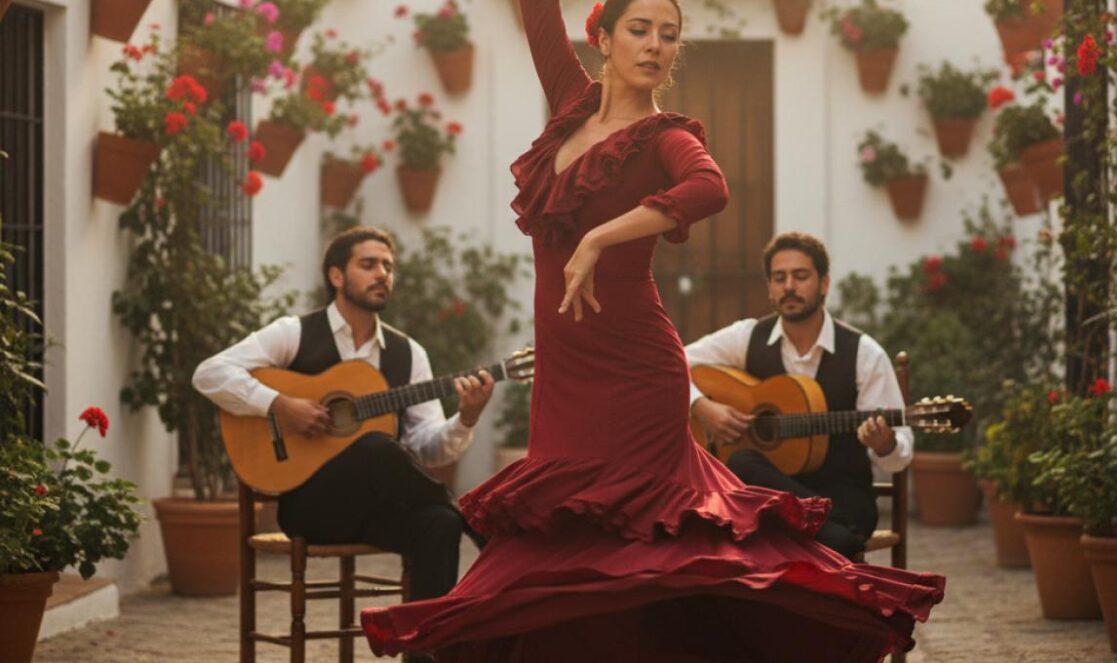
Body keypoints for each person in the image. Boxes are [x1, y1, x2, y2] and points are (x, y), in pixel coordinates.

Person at [361, 1, 944, 661]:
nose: (655, 46)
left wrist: (604, 234)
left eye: (669, 35)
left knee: (643, 535)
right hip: (566, 373)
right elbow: (537, 13)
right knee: (567, 527)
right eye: (639, 30)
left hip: (638, 370)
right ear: (603, 38)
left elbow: (709, 187)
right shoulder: (569, 104)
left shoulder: (665, 136)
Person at [192, 226, 495, 609]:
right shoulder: (295, 333)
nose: (382, 273)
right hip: (309, 508)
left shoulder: (408, 354)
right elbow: (210, 373)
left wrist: (465, 418)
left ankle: (427, 654)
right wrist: (279, 404)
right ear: (336, 276)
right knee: (373, 445)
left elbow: (427, 450)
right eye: (368, 264)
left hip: (376, 510)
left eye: (388, 266)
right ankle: (477, 521)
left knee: (440, 522)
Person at [686, 231, 913, 559]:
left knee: (759, 523)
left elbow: (898, 454)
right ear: (770, 287)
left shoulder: (863, 353)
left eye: (800, 276)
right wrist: (703, 406)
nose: (789, 286)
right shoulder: (747, 336)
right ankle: (832, 540)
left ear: (824, 284)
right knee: (740, 463)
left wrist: (885, 444)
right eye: (779, 278)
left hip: (840, 494)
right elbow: (670, 360)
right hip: (768, 492)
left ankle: (816, 532)